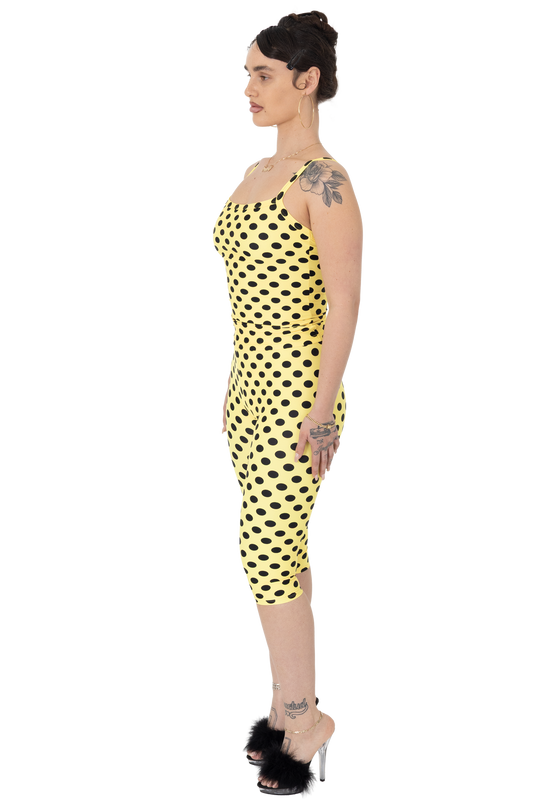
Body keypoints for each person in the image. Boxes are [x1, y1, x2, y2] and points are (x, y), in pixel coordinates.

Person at [210, 9, 364, 797]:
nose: (249, 89)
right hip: (247, 390)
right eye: (247, 74)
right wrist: (231, 389)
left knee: (263, 550)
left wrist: (322, 408)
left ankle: (305, 722)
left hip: (301, 394)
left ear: (307, 81)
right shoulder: (252, 174)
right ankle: (284, 706)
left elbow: (344, 303)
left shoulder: (324, 181)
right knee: (282, 553)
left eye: (264, 75)